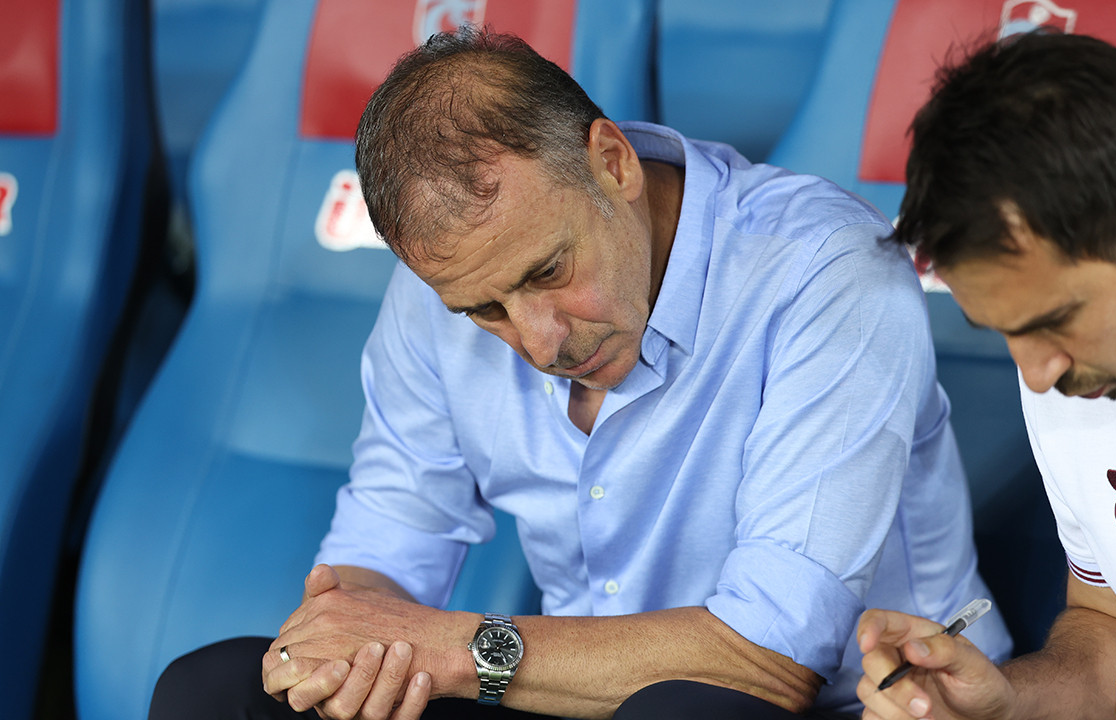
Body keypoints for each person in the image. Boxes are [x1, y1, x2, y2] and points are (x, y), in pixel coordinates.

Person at [149, 27, 1011, 720]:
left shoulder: (825, 273)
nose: (540, 341)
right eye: (486, 310)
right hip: (574, 691)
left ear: (613, 162)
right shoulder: (449, 284)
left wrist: (464, 650)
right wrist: (342, 644)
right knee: (217, 690)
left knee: (681, 714)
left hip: (847, 705)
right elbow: (385, 547)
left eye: (549, 271)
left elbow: (769, 658)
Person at [855, 31, 1116, 720]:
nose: (1036, 374)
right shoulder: (1080, 370)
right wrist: (1004, 706)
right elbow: (1109, 629)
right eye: (1006, 332)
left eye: (1056, 321)